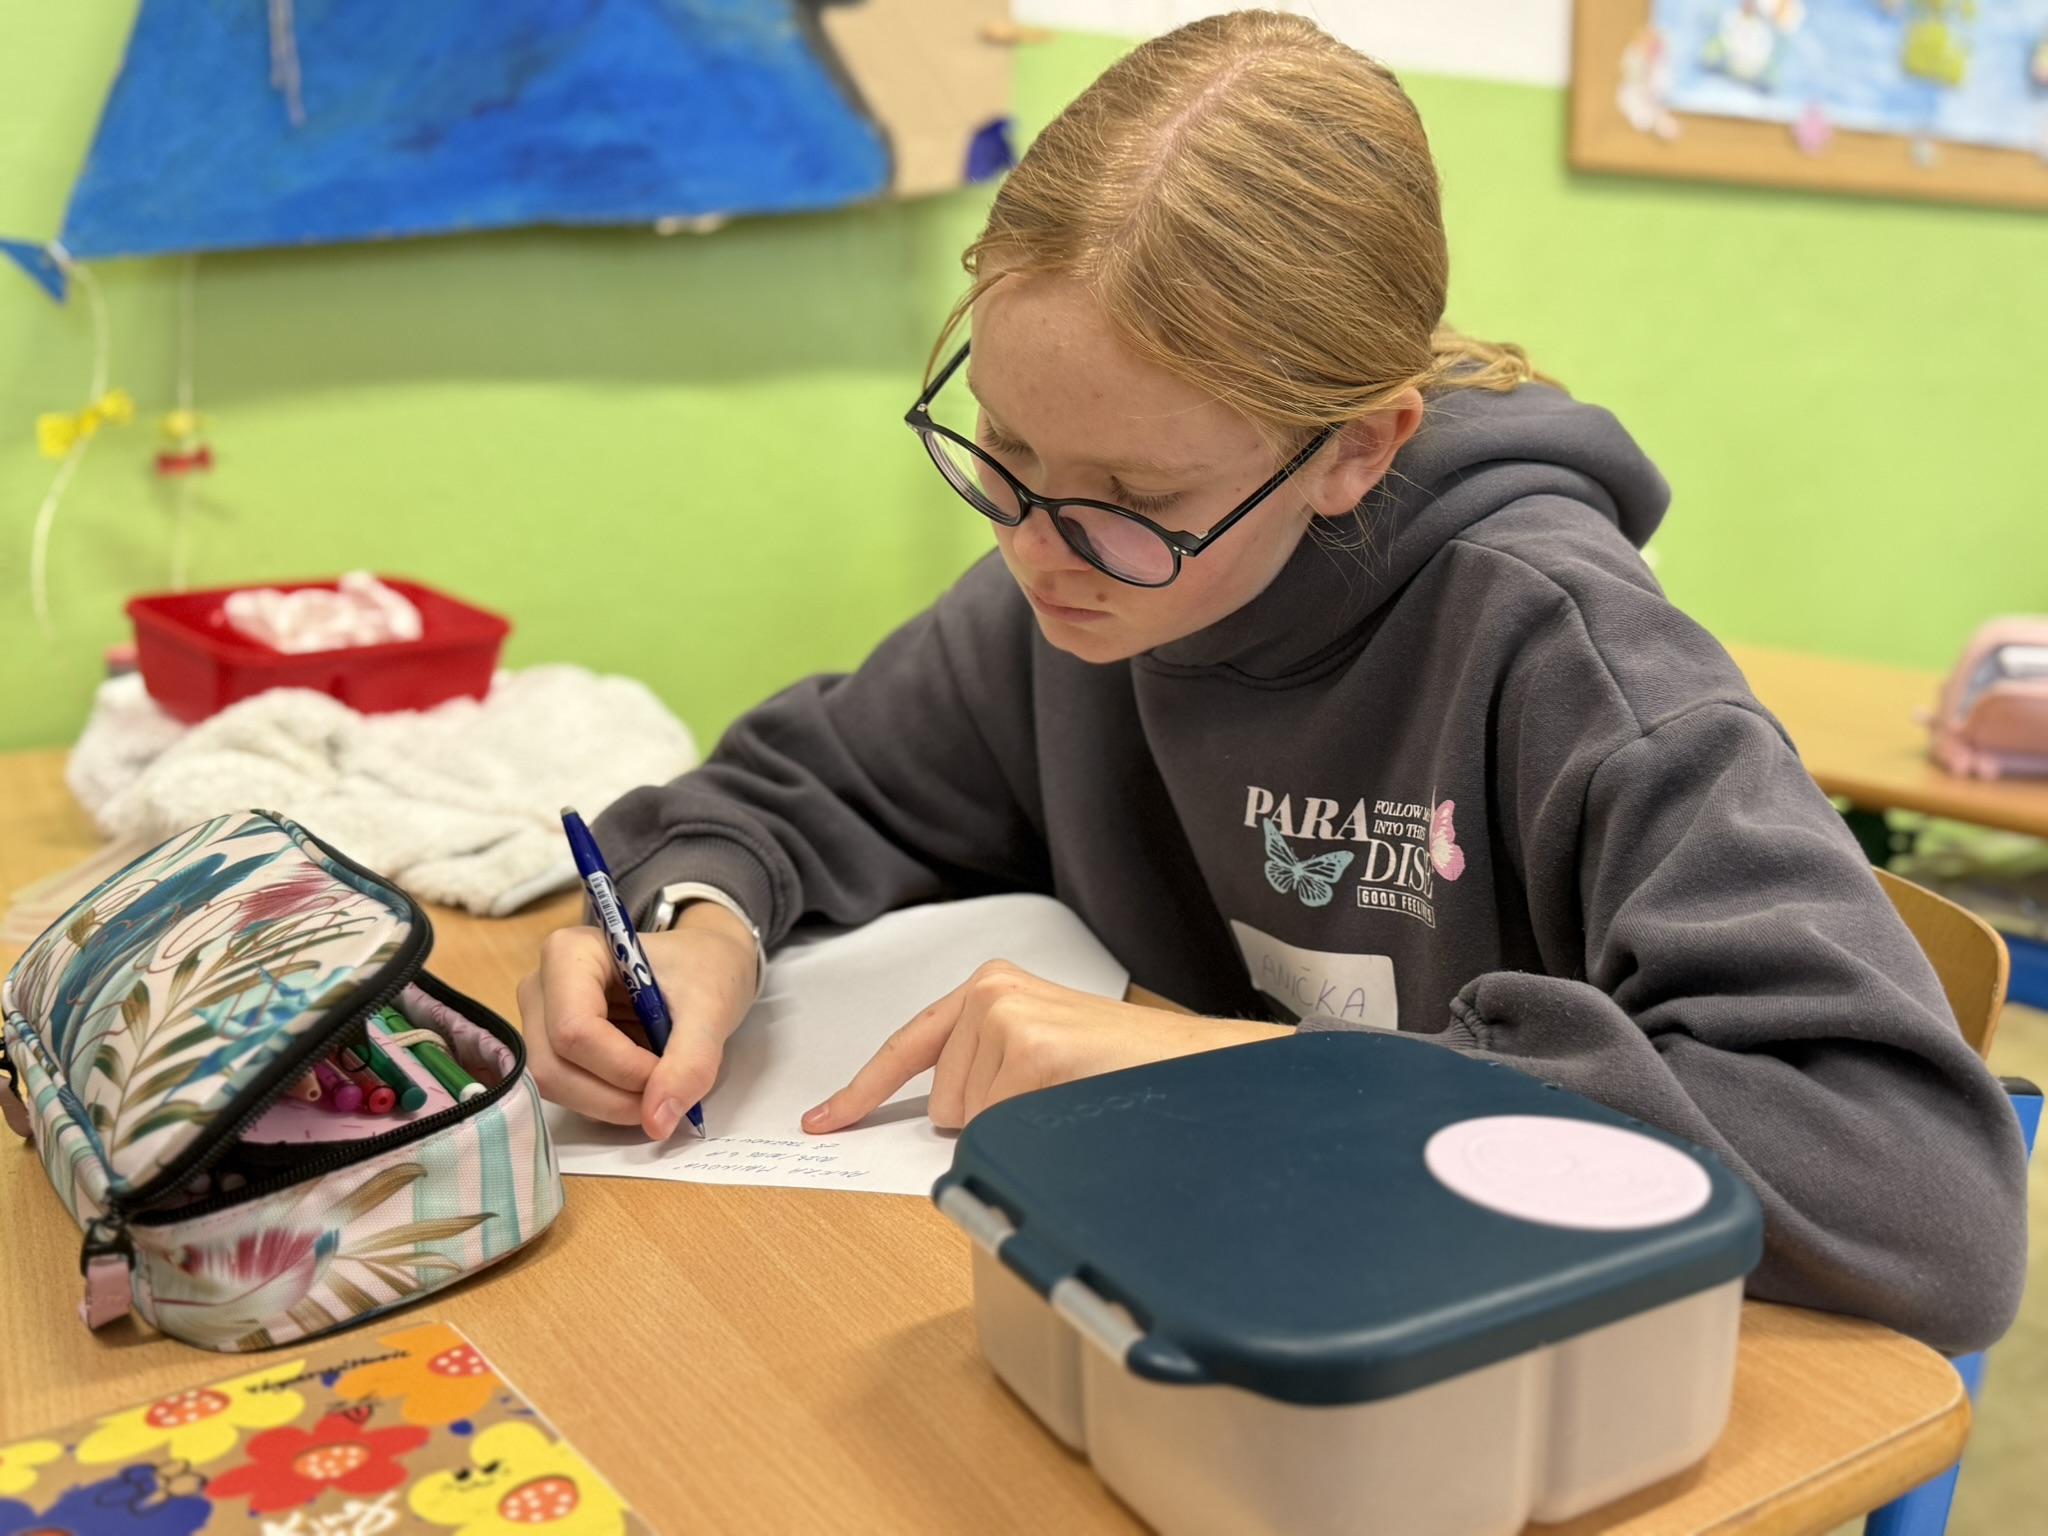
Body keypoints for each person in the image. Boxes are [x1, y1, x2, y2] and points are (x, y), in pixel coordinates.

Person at [519, 11, 2025, 1352]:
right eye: (1006, 452)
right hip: (1207, 1299)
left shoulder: (1567, 656)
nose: (1036, 549)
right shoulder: (1084, 587)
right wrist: (695, 923)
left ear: (1356, 449)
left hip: (1481, 1383)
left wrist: (1239, 1072)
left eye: (1134, 496)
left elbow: (1928, 1202)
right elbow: (807, 785)